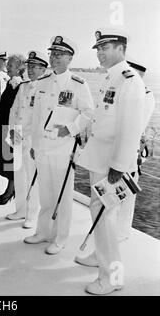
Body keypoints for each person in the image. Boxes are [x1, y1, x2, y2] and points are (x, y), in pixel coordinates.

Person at [75, 28, 146, 295]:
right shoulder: (110, 78)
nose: (100, 53)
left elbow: (130, 129)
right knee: (101, 214)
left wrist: (118, 166)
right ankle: (99, 256)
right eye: (98, 49)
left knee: (105, 215)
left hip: (111, 165)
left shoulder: (129, 81)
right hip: (100, 158)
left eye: (105, 48)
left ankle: (112, 277)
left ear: (120, 49)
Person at [75, 59, 156, 268]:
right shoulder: (122, 86)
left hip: (126, 157)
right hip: (118, 156)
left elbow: (133, 130)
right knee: (112, 207)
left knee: (113, 208)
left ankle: (109, 253)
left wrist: (120, 161)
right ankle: (107, 250)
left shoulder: (144, 95)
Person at [24, 36, 94, 255]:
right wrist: (34, 145)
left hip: (63, 148)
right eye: (52, 54)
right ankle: (43, 232)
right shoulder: (43, 82)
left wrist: (70, 129)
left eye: (59, 54)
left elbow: (89, 113)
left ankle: (60, 238)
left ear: (70, 58)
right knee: (45, 194)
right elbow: (36, 117)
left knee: (63, 196)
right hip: (43, 147)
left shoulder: (78, 84)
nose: (53, 58)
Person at [6, 51, 48, 229]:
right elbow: (13, 110)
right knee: (19, 175)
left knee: (33, 178)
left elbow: (42, 117)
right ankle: (20, 210)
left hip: (32, 139)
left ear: (43, 69)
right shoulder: (23, 86)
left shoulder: (45, 88)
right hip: (17, 136)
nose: (30, 70)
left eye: (34, 67)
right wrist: (12, 132)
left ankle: (32, 215)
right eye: (29, 66)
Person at [116, 60, 155, 241]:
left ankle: (122, 232)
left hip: (131, 152)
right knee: (117, 192)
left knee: (126, 193)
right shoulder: (128, 92)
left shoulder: (146, 95)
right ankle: (114, 229)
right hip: (121, 149)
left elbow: (136, 127)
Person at [0, 54, 25, 206]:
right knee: (5, 159)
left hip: (13, 129)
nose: (7, 68)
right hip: (4, 125)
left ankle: (11, 191)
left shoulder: (20, 85)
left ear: (19, 68)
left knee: (11, 160)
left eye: (11, 66)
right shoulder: (10, 83)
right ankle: (10, 188)